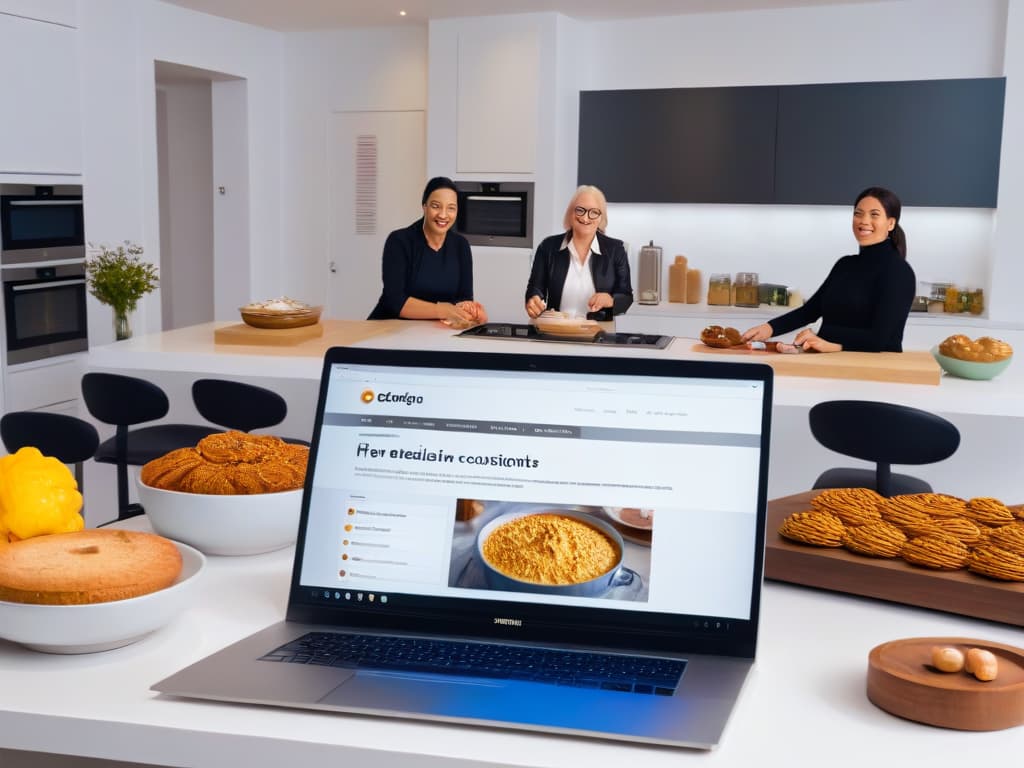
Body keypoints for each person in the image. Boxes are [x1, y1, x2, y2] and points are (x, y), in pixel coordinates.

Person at [741, 186, 915, 353]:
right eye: (858, 214)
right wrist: (769, 328)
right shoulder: (845, 265)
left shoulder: (899, 272)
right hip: (833, 364)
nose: (864, 221)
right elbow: (810, 311)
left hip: (878, 373)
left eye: (874, 215)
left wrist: (827, 339)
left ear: (891, 223)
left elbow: (878, 339)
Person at [367, 176, 487, 325]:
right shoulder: (399, 241)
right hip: (388, 328)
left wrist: (471, 310)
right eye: (436, 206)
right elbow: (395, 301)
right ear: (424, 206)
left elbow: (463, 298)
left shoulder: (461, 245)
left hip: (432, 331)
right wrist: (443, 310)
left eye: (451, 208)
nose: (443, 215)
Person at [524, 185, 633, 321]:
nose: (586, 218)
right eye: (580, 210)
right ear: (570, 214)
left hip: (599, 332)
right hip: (555, 330)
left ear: (601, 218)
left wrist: (611, 300)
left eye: (594, 212)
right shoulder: (548, 247)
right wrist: (533, 299)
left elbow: (627, 297)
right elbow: (535, 287)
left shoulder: (616, 250)